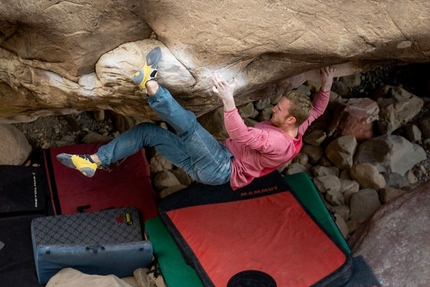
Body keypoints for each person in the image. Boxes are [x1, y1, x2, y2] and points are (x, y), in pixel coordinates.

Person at [57, 50, 335, 190]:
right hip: (212, 168)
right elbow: (317, 111)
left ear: (290, 119)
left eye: (279, 109)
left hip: (221, 166)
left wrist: (228, 98)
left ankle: (150, 84)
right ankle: (94, 162)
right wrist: (327, 85)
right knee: (147, 133)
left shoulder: (276, 141)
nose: (273, 109)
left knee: (189, 127)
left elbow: (244, 137)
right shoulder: (296, 128)